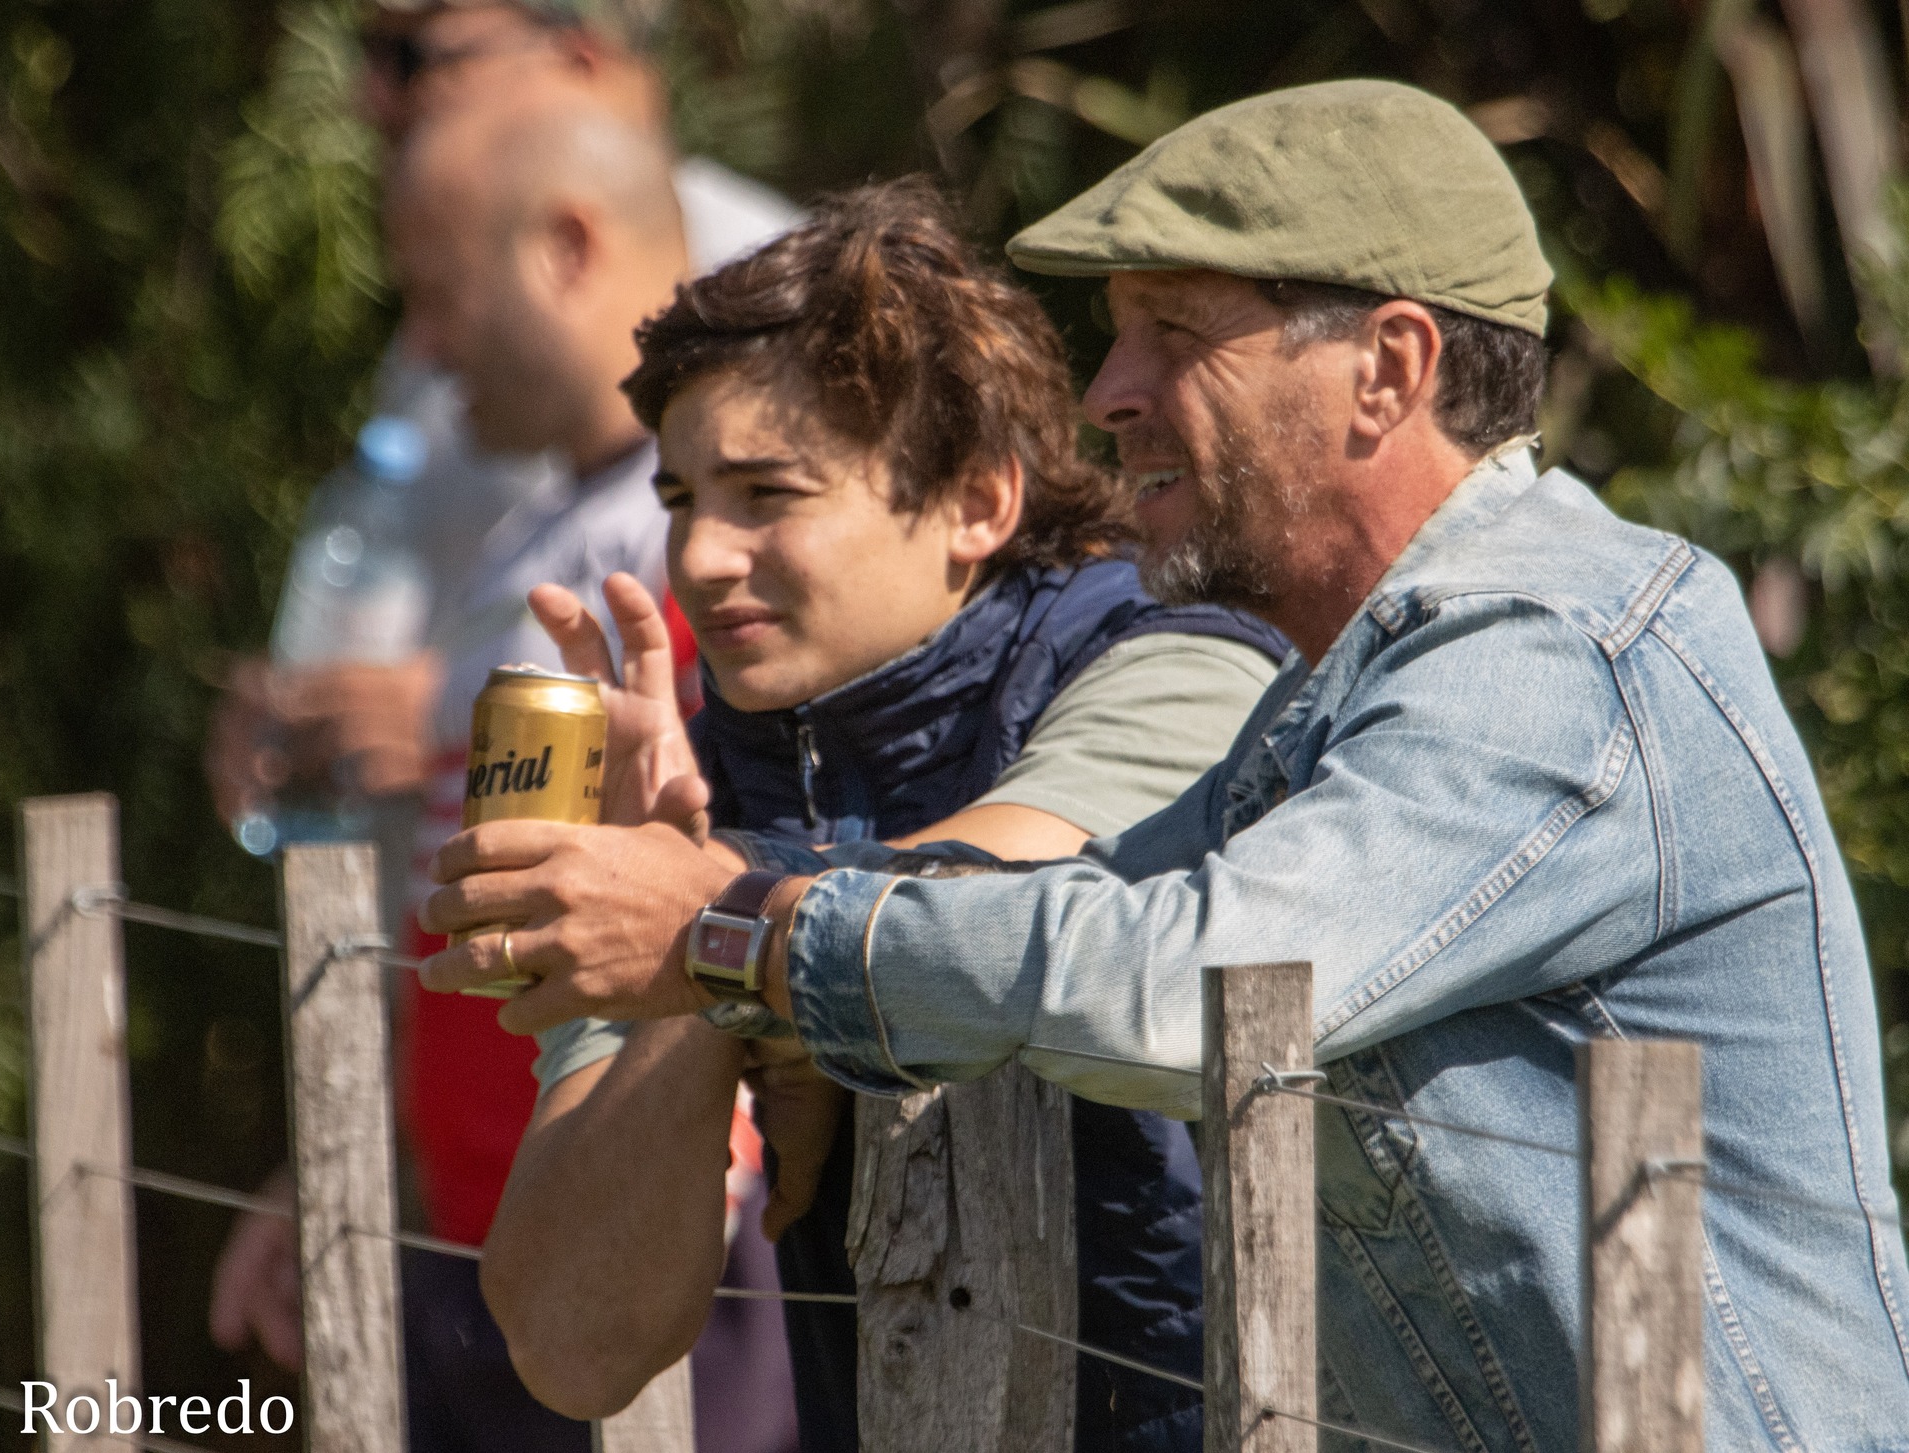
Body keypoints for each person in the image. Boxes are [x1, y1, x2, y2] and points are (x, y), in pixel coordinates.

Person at [417, 79, 1909, 1452]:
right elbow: (1078, 901)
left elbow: (1183, 980)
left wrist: (725, 931)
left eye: (1174, 333)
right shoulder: (1342, 694)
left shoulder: (1556, 656)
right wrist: (762, 993)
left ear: (1390, 368)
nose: (1109, 389)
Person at [457, 180, 1286, 1448]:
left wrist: (708, 929)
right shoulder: (705, 794)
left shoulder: (1183, 666)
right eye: (681, 500)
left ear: (975, 502)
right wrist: (716, 964)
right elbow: (574, 1342)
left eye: (767, 493)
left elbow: (977, 903)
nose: (701, 556)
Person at [203, 6, 799, 1451]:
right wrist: (357, 1150)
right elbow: (469, 902)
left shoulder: (721, 545)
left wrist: (685, 1195)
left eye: (440, 288)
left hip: (672, 1254)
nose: (424, 340)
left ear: (569, 247)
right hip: (486, 1231)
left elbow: (732, 866)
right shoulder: (520, 531)